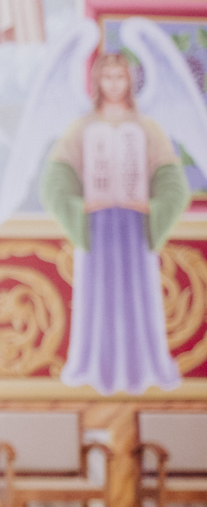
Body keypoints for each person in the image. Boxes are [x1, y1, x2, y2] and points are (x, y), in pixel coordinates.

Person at [43, 50, 188, 394]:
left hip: (134, 227)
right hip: (99, 228)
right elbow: (54, 180)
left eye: (119, 77)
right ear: (97, 81)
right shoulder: (82, 128)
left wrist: (151, 206)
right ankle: (100, 368)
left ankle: (140, 368)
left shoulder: (147, 128)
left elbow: (173, 181)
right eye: (107, 77)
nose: (113, 84)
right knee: (100, 301)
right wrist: (81, 205)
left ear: (130, 81)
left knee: (138, 299)